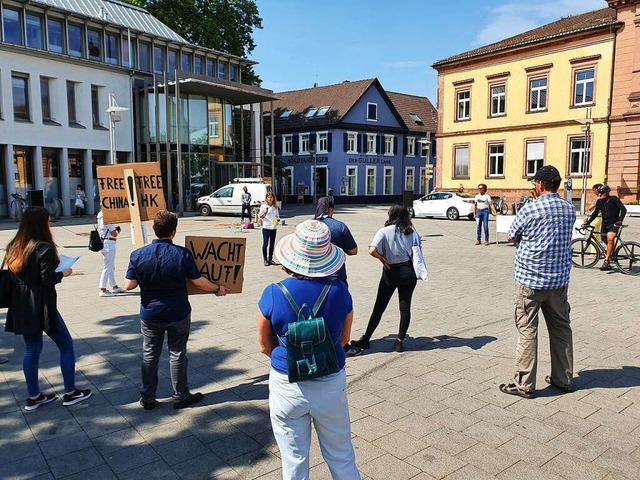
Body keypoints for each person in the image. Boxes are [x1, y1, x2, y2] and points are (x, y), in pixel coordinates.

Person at [257, 220, 360, 480]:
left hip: (287, 383)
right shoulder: (340, 292)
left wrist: (292, 356)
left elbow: (264, 345)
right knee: (341, 454)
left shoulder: (273, 292)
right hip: (329, 380)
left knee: (294, 461)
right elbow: (344, 339)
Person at [125, 211, 227, 410]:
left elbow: (129, 285)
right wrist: (217, 288)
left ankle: (147, 397)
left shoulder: (137, 255)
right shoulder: (182, 254)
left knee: (149, 354)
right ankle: (180, 396)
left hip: (150, 314)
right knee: (177, 353)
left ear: (154, 229)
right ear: (174, 231)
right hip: (178, 312)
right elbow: (199, 282)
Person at [4, 207, 92, 410]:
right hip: (42, 306)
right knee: (66, 345)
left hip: (21, 305)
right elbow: (47, 278)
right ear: (41, 224)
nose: (50, 224)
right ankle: (70, 393)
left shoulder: (13, 246)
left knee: (31, 350)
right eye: (48, 221)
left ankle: (33, 396)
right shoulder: (44, 247)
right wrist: (64, 273)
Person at [500, 165, 575, 399]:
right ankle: (563, 379)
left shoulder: (531, 209)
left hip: (530, 281)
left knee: (527, 331)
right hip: (559, 281)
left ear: (541, 185)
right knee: (561, 328)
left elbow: (511, 234)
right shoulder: (569, 209)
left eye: (535, 183)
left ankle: (524, 384)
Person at [350, 204, 419, 353]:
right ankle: (399, 342)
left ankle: (366, 339)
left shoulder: (384, 231)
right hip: (408, 271)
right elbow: (417, 252)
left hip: (391, 271)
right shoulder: (411, 231)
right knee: (405, 308)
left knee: (379, 307)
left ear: (391, 215)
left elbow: (372, 250)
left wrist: (382, 258)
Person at [314, 196, 358, 285]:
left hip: (313, 276)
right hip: (336, 276)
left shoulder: (307, 226)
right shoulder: (340, 226)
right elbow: (353, 251)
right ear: (330, 210)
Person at [584, 184, 627, 271]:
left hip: (614, 224)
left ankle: (606, 261)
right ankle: (611, 254)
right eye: (599, 193)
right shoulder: (599, 202)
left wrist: (620, 221)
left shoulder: (614, 199)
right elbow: (595, 213)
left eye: (602, 193)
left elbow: (623, 210)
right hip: (605, 225)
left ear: (607, 193)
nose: (600, 195)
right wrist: (588, 223)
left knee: (610, 239)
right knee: (605, 241)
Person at [97, 210, 125, 297]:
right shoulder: (107, 216)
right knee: (108, 266)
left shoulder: (100, 214)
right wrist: (117, 231)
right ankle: (103, 289)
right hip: (109, 243)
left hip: (104, 242)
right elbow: (113, 233)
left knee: (110, 266)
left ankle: (114, 286)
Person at [259, 191, 280, 266]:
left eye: (271, 197)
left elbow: (277, 216)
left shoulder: (275, 207)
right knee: (265, 244)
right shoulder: (263, 206)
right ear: (266, 198)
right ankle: (265, 259)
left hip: (273, 227)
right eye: (268, 197)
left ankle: (270, 259)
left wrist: (277, 219)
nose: (270, 199)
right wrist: (264, 213)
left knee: (272, 244)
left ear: (273, 198)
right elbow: (260, 216)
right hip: (266, 227)